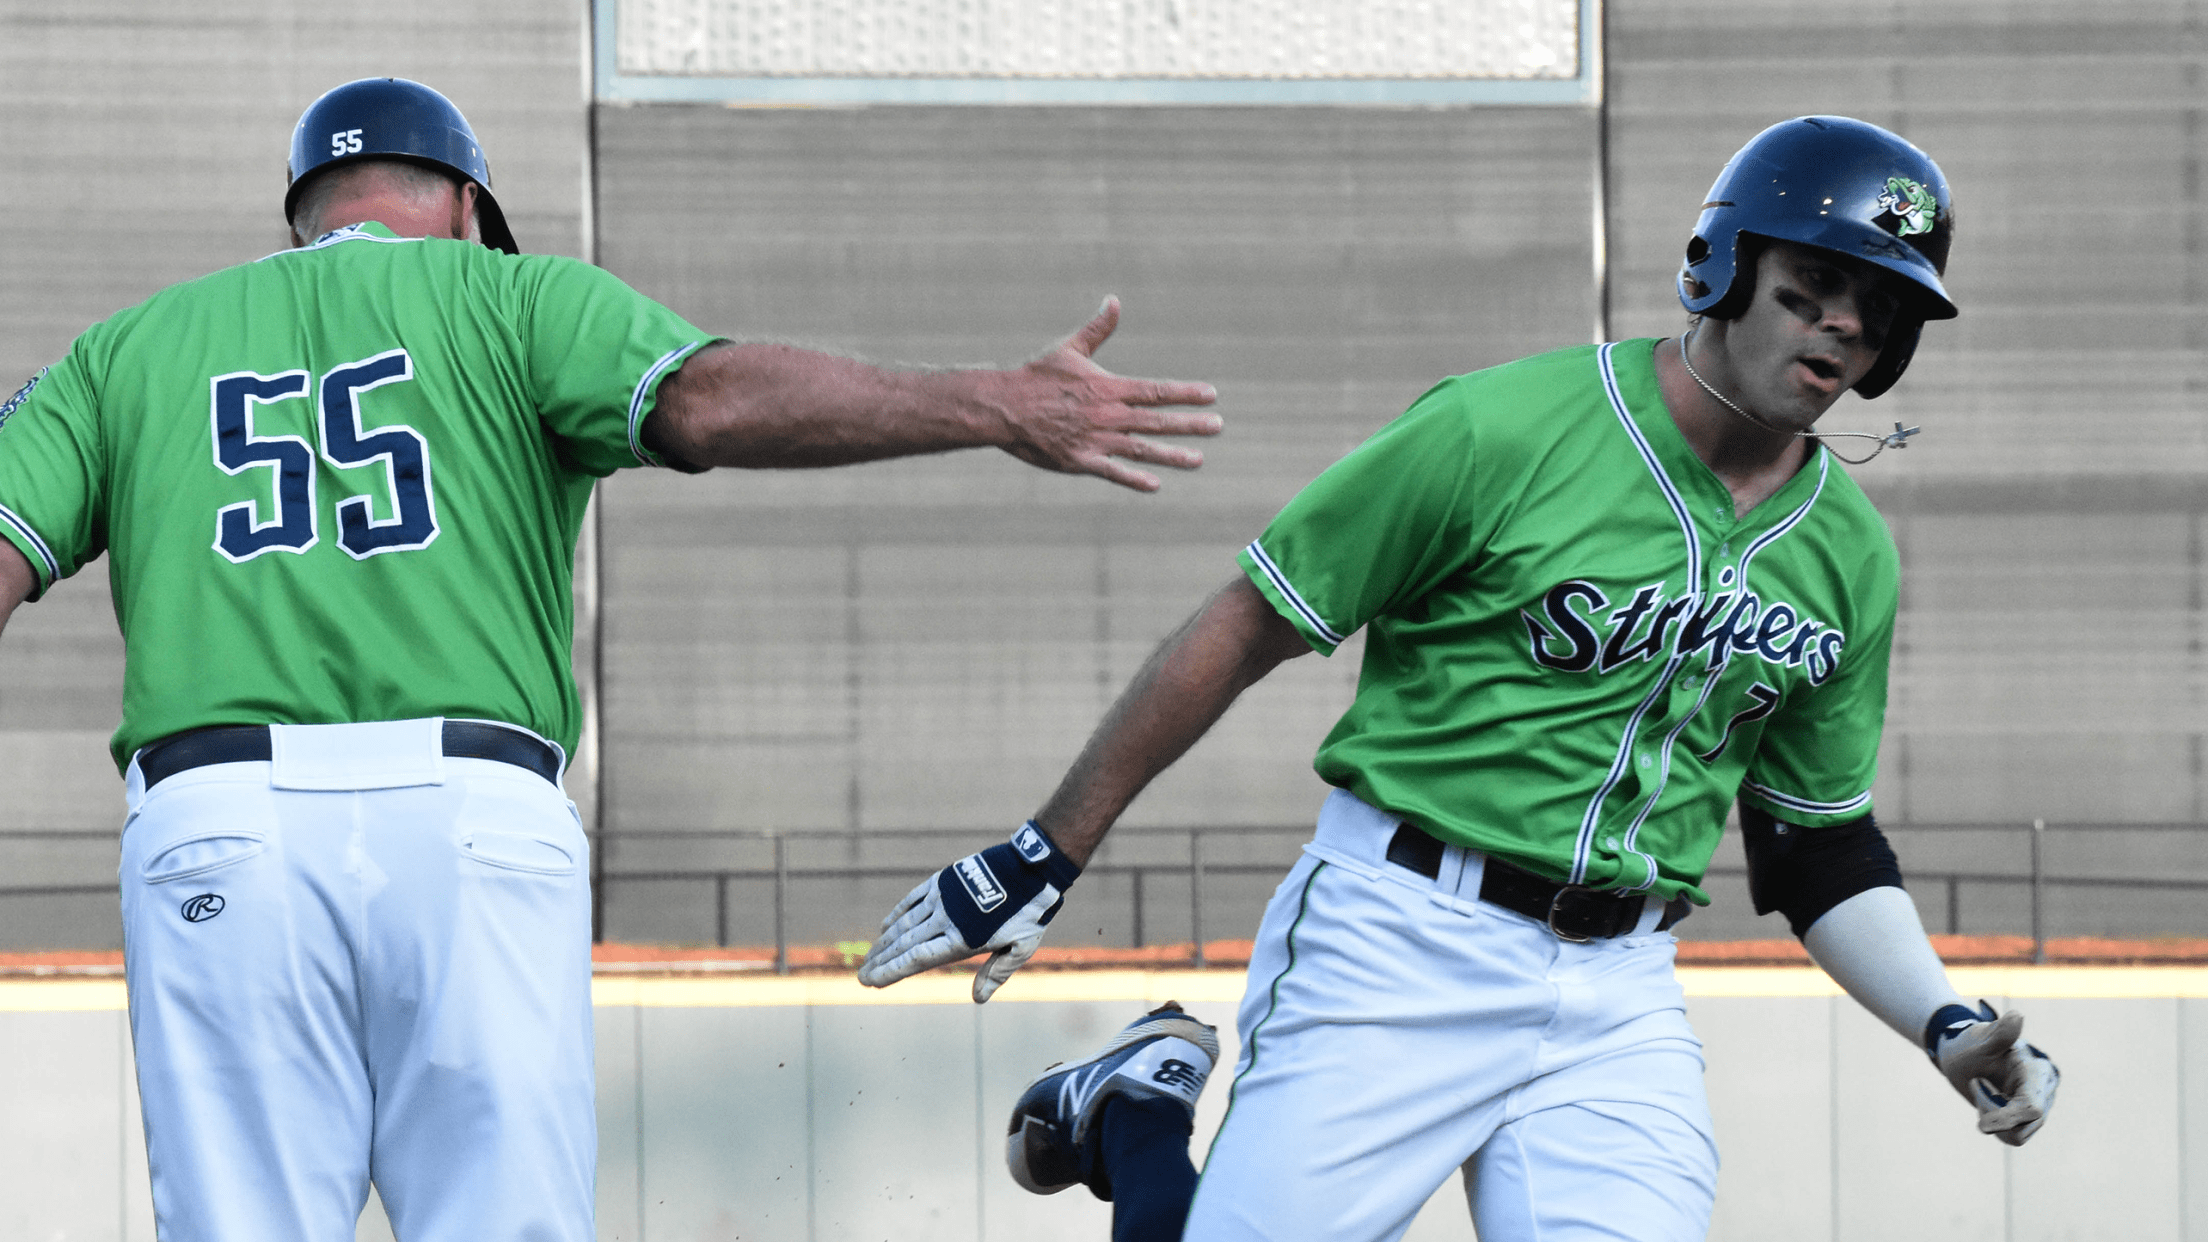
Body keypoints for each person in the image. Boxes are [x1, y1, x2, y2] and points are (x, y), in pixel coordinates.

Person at [0, 77, 1219, 1242]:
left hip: (218, 830)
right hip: (473, 822)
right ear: (466, 205)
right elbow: (707, 403)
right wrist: (995, 403)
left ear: (303, 219)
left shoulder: (127, 350)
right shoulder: (515, 295)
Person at [858, 115, 2060, 1242]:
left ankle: (1136, 1108)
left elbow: (1817, 847)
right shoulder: (1502, 429)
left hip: (1621, 990)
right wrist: (1046, 851)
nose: (1842, 326)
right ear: (1724, 267)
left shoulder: (1849, 554)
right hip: (1401, 939)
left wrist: (1944, 1019)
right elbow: (1252, 622)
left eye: (1879, 308)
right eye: (1812, 286)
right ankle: (1135, 1109)